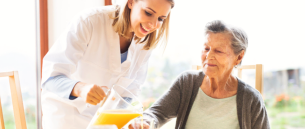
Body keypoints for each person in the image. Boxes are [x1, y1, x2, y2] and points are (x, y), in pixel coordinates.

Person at [41, 0, 174, 128]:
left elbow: (130, 94)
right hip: (66, 117)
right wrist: (80, 89)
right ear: (131, 2)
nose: (153, 24)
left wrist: (133, 121)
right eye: (148, 13)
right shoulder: (89, 21)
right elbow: (50, 79)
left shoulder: (144, 42)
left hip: (105, 121)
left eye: (161, 19)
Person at [136, 20, 270, 129]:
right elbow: (157, 113)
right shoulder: (187, 82)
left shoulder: (251, 99)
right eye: (206, 48)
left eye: (218, 51)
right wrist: (145, 122)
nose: (208, 56)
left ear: (239, 56)